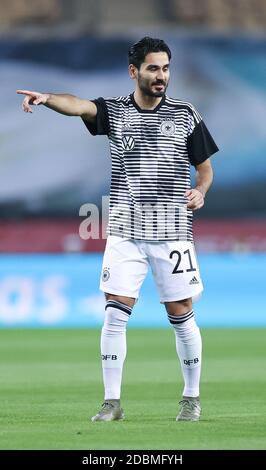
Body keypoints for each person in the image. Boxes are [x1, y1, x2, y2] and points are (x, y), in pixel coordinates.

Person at [17, 36, 218, 422]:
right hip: (126, 231)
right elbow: (79, 106)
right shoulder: (115, 112)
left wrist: (201, 191)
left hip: (173, 231)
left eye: (165, 68)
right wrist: (47, 98)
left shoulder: (186, 114)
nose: (161, 76)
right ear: (134, 72)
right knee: (114, 313)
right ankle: (112, 402)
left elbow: (205, 169)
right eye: (153, 68)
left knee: (181, 312)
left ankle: (191, 398)